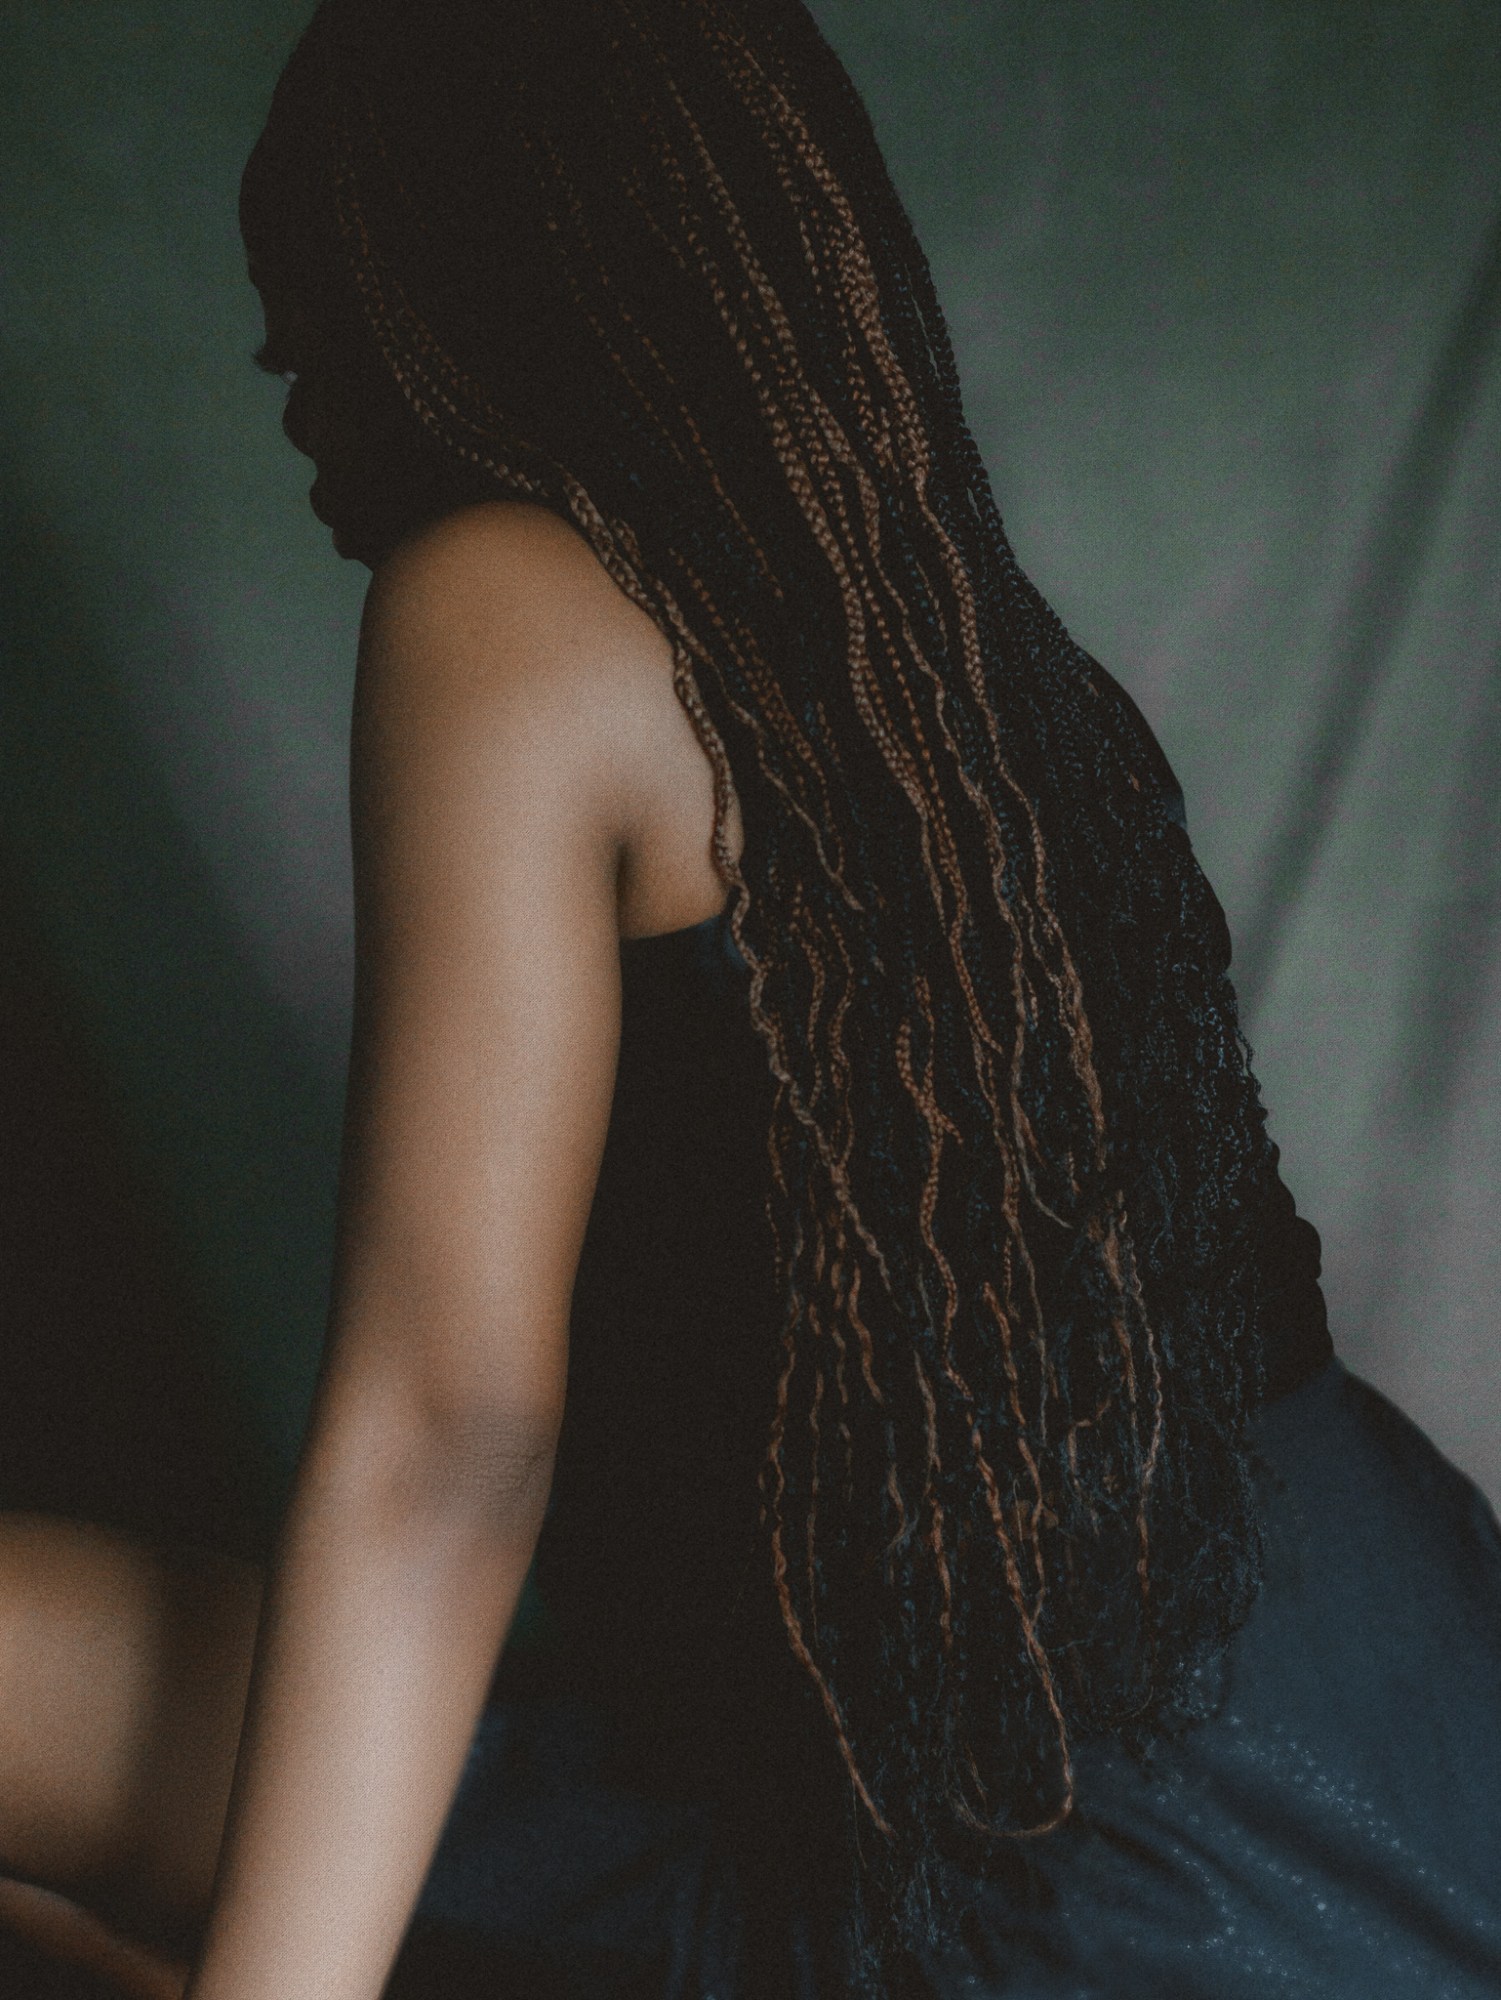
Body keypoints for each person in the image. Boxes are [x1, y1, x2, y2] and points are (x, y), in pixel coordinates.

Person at [3, 1, 1501, 1995]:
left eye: (324, 259)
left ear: (482, 262)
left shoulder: (501, 613)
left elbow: (451, 1438)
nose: (282, 347)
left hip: (1069, 1873)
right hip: (1398, 1723)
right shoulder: (982, 671)